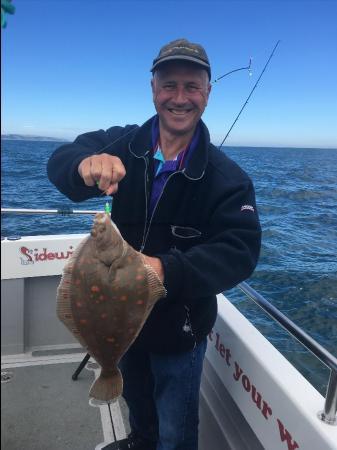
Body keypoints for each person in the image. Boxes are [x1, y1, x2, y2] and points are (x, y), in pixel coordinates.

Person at [47, 38, 261, 450]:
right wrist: (81, 164)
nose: (179, 98)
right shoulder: (122, 143)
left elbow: (240, 251)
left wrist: (164, 269)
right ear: (153, 89)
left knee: (176, 428)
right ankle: (140, 442)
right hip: (119, 324)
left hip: (177, 330)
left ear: (208, 94)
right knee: (137, 402)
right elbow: (60, 159)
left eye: (192, 86)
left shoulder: (228, 179)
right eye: (169, 85)